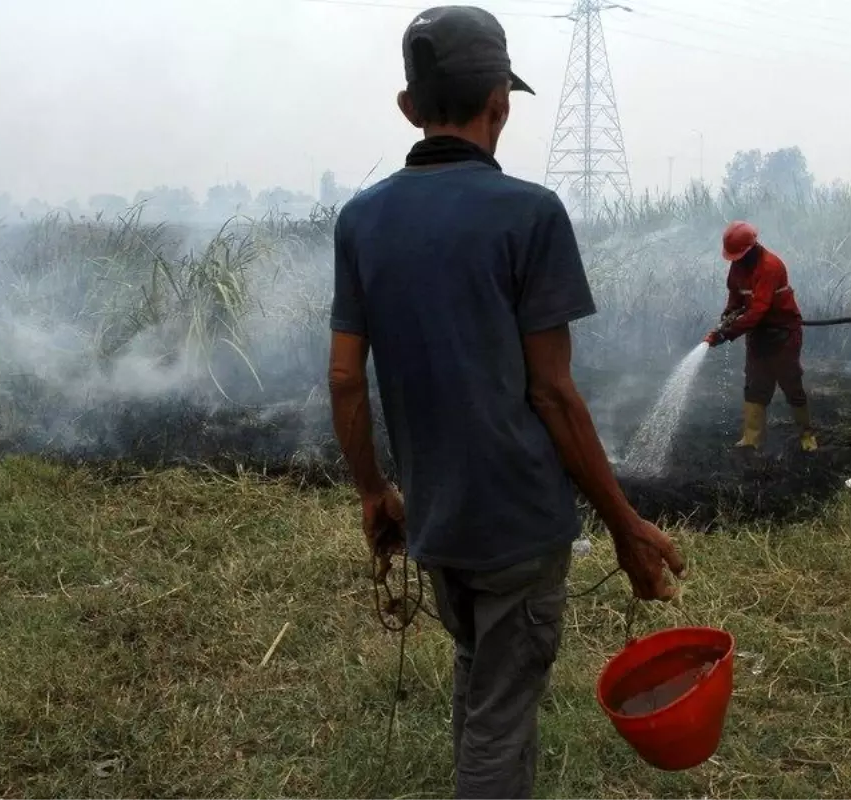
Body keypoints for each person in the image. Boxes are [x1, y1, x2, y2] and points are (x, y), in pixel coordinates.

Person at [326, 7, 685, 798]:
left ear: (409, 108)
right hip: (517, 523)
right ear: (501, 104)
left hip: (437, 519)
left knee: (479, 680)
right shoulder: (530, 214)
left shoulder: (360, 220)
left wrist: (372, 492)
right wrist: (627, 531)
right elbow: (553, 394)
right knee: (499, 717)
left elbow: (347, 378)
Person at [704, 220, 818, 452]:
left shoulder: (770, 266)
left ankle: (807, 435)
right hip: (758, 334)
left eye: (738, 256)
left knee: (791, 382)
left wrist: (727, 333)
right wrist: (727, 315)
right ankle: (751, 439)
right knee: (755, 385)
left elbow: (758, 310)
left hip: (783, 333)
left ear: (751, 248)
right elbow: (736, 295)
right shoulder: (739, 264)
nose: (735, 260)